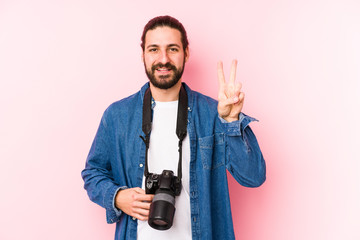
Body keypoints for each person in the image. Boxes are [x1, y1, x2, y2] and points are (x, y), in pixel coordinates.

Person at [81, 15, 266, 240]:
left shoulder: (214, 113)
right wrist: (117, 197)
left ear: (186, 53)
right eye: (154, 50)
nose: (163, 59)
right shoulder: (117, 115)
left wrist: (230, 122)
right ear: (143, 55)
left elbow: (254, 176)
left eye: (173, 49)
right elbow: (93, 172)